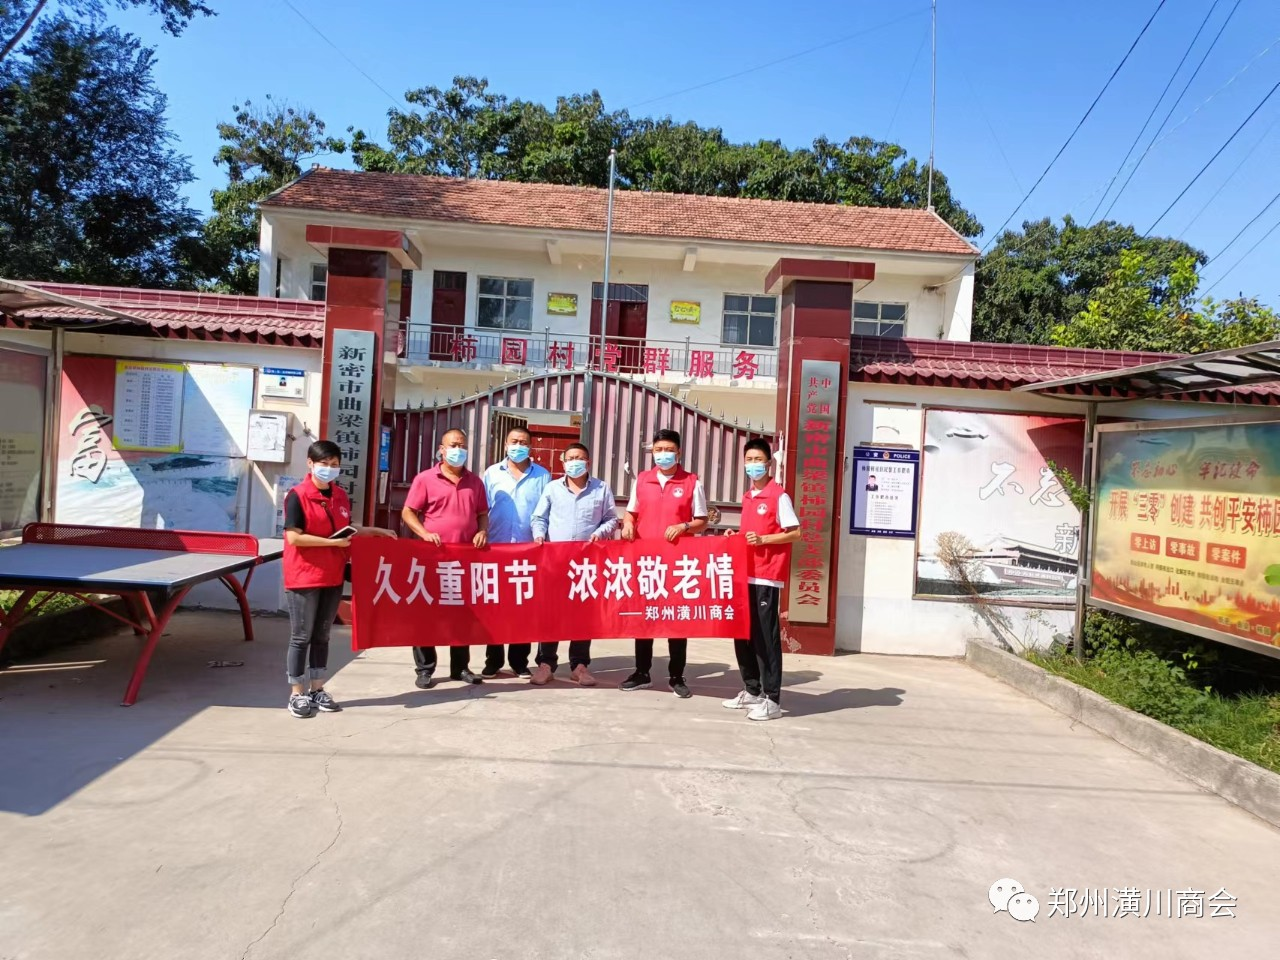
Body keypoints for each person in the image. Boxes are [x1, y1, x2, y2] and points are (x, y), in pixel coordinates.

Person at [282, 440, 395, 718]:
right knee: (301, 637)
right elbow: (294, 537)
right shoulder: (297, 495)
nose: (329, 470)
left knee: (322, 635)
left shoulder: (339, 496)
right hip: (304, 576)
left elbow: (344, 528)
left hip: (332, 574)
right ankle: (296, 693)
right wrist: (332, 544)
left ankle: (317, 688)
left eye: (334, 465)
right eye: (324, 464)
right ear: (310, 463)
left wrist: (371, 531)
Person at [619, 428, 708, 698]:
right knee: (643, 617)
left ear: (678, 453)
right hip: (646, 561)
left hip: (678, 563)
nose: (663, 455)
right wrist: (627, 525)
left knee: (676, 620)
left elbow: (702, 521)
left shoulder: (692, 482)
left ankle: (677, 675)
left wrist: (683, 526)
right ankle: (642, 671)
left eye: (669, 450)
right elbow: (631, 513)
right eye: (658, 450)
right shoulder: (642, 480)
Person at [401, 428, 489, 687]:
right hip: (432, 558)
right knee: (427, 613)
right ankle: (425, 668)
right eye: (453, 445)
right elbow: (408, 512)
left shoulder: (475, 482)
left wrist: (483, 530)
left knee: (463, 615)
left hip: (465, 560)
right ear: (441, 449)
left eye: (462, 445)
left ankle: (460, 667)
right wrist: (424, 533)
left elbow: (482, 512)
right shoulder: (426, 479)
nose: (458, 450)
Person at [529, 442, 619, 686]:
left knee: (582, 615)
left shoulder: (601, 488)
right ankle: (546, 664)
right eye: (570, 458)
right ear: (563, 461)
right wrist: (539, 535)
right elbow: (539, 517)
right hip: (555, 561)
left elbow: (611, 519)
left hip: (586, 564)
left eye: (579, 458)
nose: (574, 462)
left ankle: (580, 666)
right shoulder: (552, 488)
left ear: (588, 462)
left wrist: (600, 533)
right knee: (551, 614)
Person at [723, 438, 800, 721]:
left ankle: (773, 699)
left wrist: (765, 538)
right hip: (744, 573)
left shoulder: (778, 496)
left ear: (769, 463)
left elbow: (795, 532)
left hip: (767, 575)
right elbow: (750, 534)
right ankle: (752, 689)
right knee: (742, 633)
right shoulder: (748, 497)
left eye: (758, 460)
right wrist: (736, 537)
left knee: (766, 638)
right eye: (749, 460)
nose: (753, 465)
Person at [481, 427, 550, 679]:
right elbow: (482, 509)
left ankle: (519, 661)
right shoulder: (491, 473)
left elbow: (544, 511)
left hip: (528, 550)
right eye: (514, 441)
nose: (518, 445)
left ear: (531, 447)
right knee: (496, 607)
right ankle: (493, 660)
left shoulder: (542, 475)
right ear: (506, 444)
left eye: (523, 442)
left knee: (524, 608)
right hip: (496, 548)